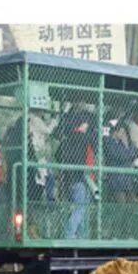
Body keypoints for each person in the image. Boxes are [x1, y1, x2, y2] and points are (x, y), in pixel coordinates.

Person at [53, 101, 96, 239]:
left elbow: (58, 154)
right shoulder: (83, 137)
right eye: (85, 123)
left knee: (81, 208)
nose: (87, 125)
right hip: (81, 178)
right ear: (82, 124)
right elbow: (93, 147)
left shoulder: (68, 138)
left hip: (69, 178)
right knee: (81, 208)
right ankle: (70, 234)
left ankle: (81, 236)